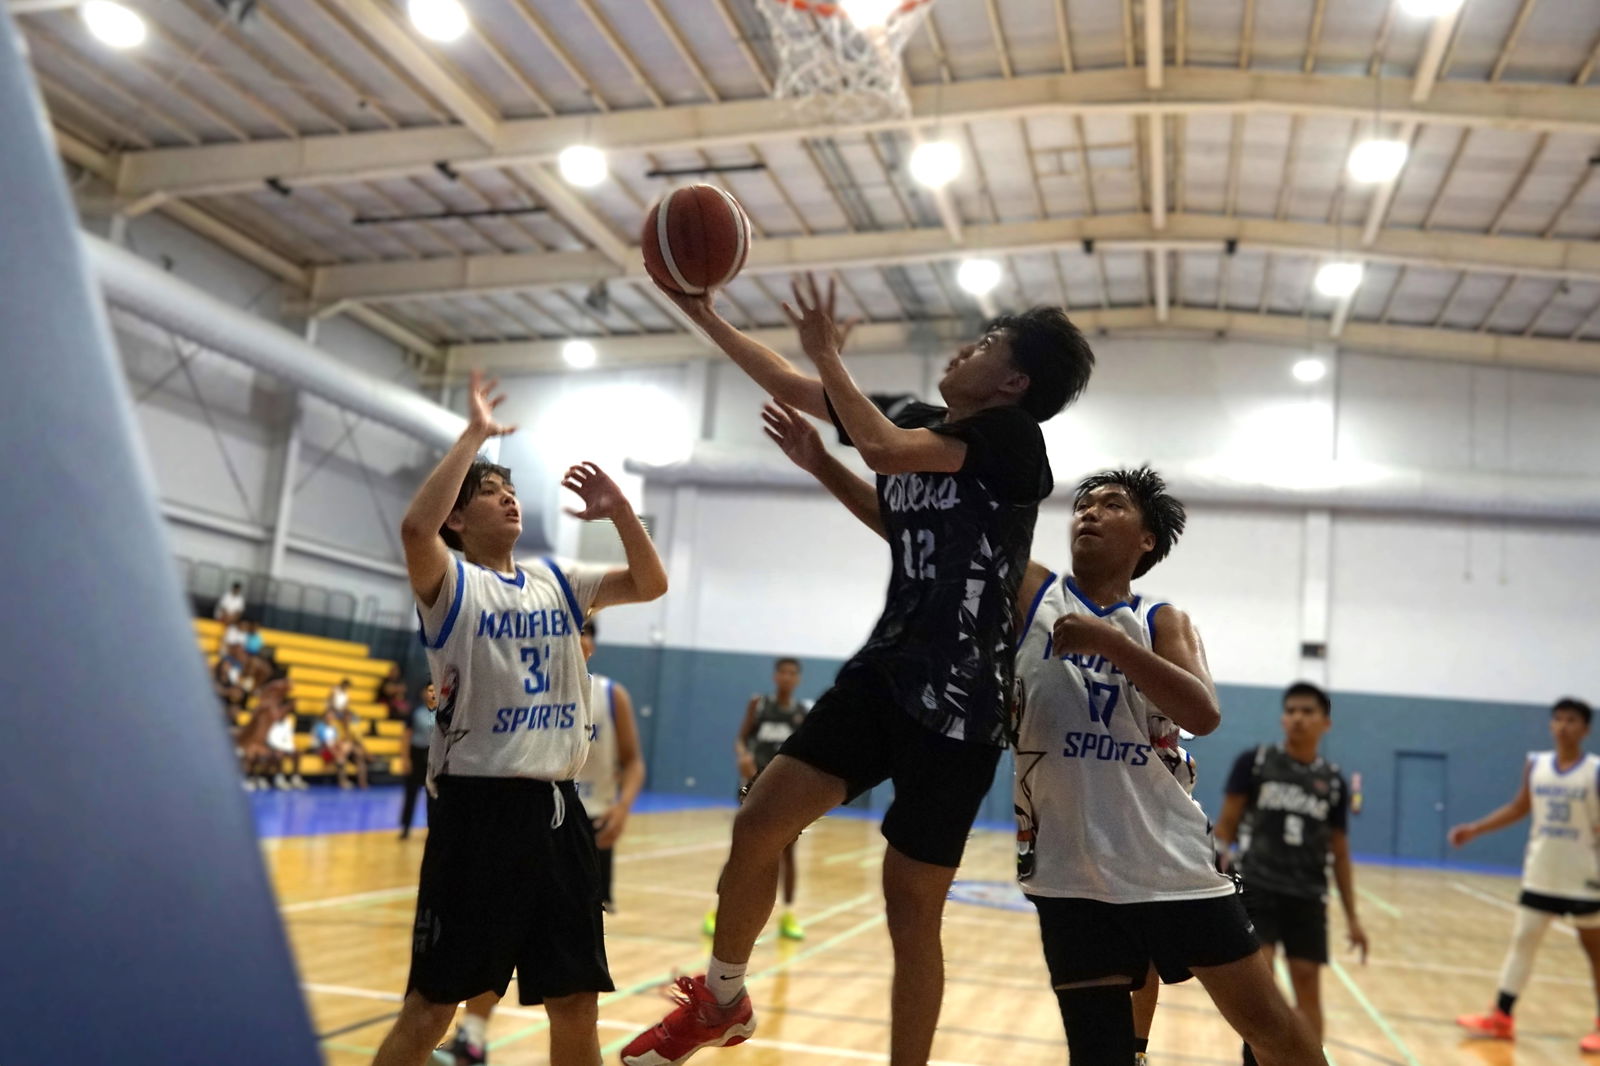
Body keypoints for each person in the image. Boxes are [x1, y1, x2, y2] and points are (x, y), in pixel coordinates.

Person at [624, 275, 1091, 1066]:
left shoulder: (1015, 440)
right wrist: (705, 313)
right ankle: (723, 1001)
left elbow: (878, 448)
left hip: (964, 707)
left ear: (1013, 382)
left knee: (910, 911)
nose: (962, 349)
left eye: (984, 346)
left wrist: (831, 361)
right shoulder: (916, 421)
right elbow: (883, 495)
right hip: (885, 670)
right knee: (760, 822)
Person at [368, 370, 667, 1066]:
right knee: (433, 1008)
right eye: (488, 492)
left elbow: (650, 584)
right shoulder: (451, 588)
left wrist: (622, 512)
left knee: (575, 1003)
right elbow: (415, 526)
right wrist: (474, 434)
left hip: (560, 814)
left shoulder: (558, 578)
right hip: (481, 812)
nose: (509, 499)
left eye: (511, 491)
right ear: (458, 518)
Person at [440, 616, 647, 1066]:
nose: (580, 638)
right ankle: (471, 1035)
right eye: (574, 629)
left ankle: (474, 1034)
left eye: (588, 631)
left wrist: (624, 806)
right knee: (497, 935)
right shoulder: (520, 686)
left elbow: (633, 762)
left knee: (573, 973)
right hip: (526, 817)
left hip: (582, 823)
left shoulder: (610, 695)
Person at [1215, 683, 1369, 1066]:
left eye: (1308, 711)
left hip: (1307, 894)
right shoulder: (1256, 762)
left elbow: (1340, 851)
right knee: (1261, 992)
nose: (1298, 718)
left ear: (1326, 723)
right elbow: (1226, 827)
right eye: (1292, 710)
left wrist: (1352, 916)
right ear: (1283, 717)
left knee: (1307, 987)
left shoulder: (1332, 781)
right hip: (1257, 888)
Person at [1451, 697, 1600, 1051]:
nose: (1563, 726)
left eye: (1572, 720)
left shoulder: (1595, 770)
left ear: (1586, 729)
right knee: (1523, 942)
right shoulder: (1537, 764)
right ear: (1550, 725)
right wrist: (1475, 829)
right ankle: (1501, 1017)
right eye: (1558, 719)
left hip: (1585, 876)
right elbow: (1520, 807)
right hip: (1542, 872)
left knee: (1595, 952)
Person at [703, 658, 811, 941]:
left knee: (788, 854)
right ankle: (717, 911)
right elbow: (740, 739)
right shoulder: (759, 705)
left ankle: (788, 915)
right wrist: (743, 756)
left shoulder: (802, 713)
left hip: (787, 791)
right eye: (782, 672)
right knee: (741, 851)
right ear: (776, 676)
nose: (787, 677)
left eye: (792, 673)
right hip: (754, 787)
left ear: (797, 679)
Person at [1130, 745, 1200, 1065]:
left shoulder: (1183, 762)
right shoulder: (1116, 747)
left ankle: (1136, 1050)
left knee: (1147, 966)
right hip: (1110, 861)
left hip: (1156, 868)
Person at [399, 682, 438, 839]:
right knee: (411, 793)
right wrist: (405, 758)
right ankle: (406, 827)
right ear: (423, 693)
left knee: (432, 795)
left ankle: (432, 828)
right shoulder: (415, 712)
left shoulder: (442, 712)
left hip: (432, 757)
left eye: (435, 690)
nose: (432, 693)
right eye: (429, 690)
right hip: (416, 755)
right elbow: (406, 736)